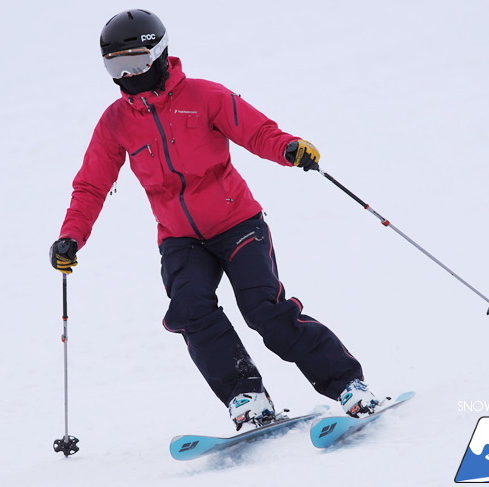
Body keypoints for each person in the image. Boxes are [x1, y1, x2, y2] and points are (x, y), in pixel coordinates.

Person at [50, 9, 379, 430]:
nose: (128, 74)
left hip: (238, 223)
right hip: (180, 238)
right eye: (116, 65)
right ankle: (246, 395)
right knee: (190, 309)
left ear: (161, 53)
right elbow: (91, 186)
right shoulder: (115, 123)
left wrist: (289, 148)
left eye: (137, 61)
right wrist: (70, 237)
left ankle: (348, 385)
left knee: (264, 310)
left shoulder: (204, 97)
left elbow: (258, 132)